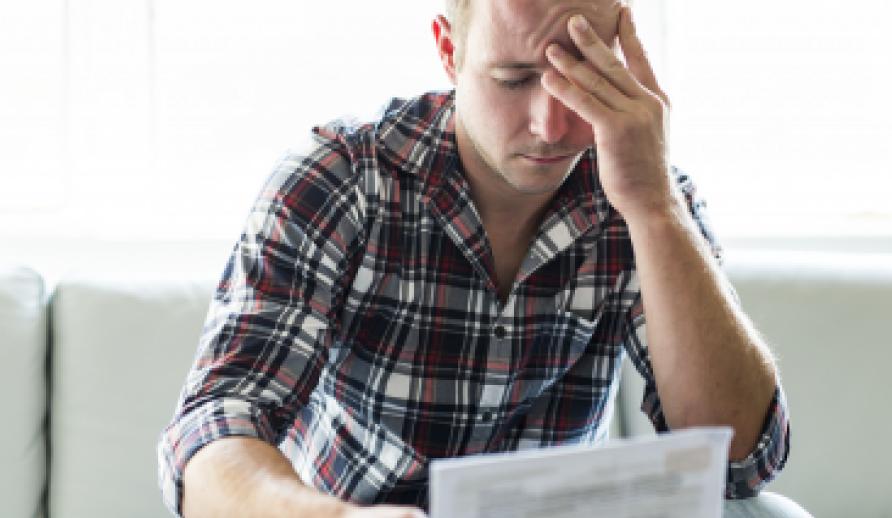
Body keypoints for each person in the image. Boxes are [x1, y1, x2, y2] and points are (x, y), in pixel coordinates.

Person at [157, 1, 800, 517]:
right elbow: (215, 427)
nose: (551, 126)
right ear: (450, 50)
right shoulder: (344, 176)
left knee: (770, 514)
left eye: (584, 80)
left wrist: (654, 207)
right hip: (348, 507)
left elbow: (740, 461)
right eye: (514, 80)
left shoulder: (648, 190)